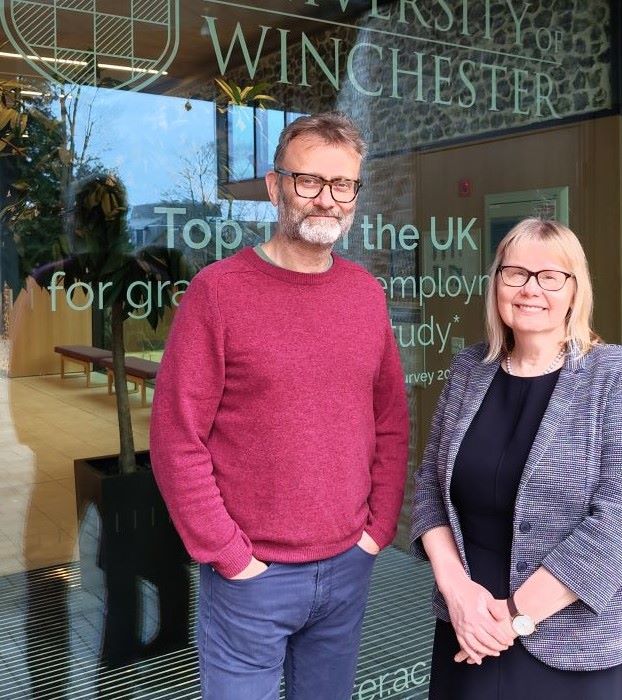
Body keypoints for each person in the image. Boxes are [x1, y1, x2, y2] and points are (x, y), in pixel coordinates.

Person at [150, 112, 409, 700]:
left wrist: (376, 532)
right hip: (251, 579)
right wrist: (229, 555)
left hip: (348, 565)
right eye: (308, 182)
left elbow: (390, 424)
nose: (327, 200)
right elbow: (176, 439)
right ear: (275, 187)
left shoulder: (365, 295)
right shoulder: (217, 293)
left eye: (342, 185)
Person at [411, 218, 622, 700]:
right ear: (497, 284)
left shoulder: (619, 375)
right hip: (469, 627)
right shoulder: (469, 371)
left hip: (582, 647)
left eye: (551, 276)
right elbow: (429, 487)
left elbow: (621, 523)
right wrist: (456, 592)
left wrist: (512, 617)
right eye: (516, 273)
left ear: (575, 290)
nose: (531, 289)